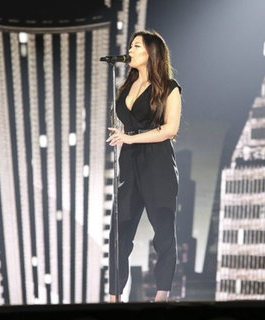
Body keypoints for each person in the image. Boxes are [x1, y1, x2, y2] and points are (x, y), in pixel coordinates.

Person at [106, 29, 182, 303]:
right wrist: (123, 136)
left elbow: (170, 129)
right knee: (119, 232)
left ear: (151, 53)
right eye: (131, 46)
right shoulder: (125, 86)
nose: (131, 50)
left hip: (157, 164)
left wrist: (130, 137)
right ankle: (114, 296)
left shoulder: (169, 88)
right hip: (130, 163)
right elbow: (128, 123)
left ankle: (161, 295)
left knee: (163, 230)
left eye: (136, 46)